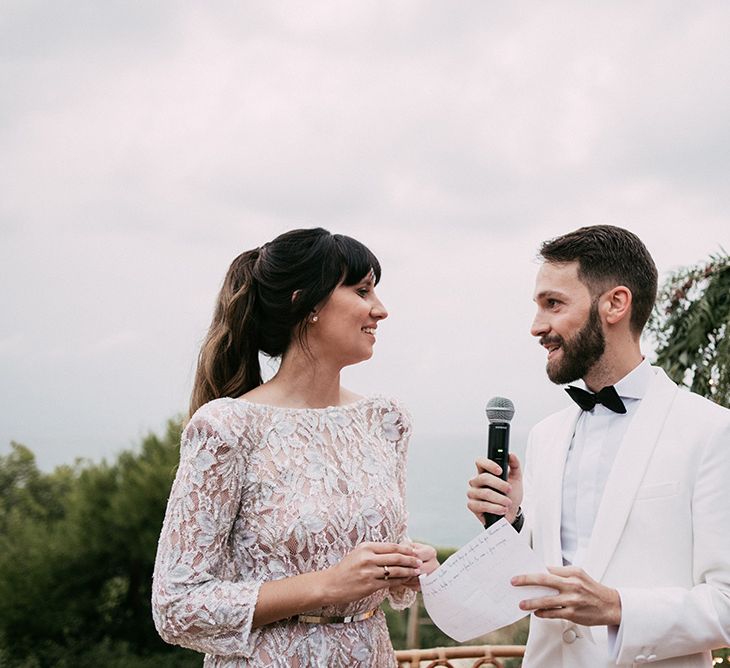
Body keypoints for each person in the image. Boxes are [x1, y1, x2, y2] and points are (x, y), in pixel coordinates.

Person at [152, 228, 438, 667]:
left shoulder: (385, 421)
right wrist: (325, 585)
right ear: (306, 305)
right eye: (362, 291)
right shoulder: (227, 427)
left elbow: (376, 545)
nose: (380, 309)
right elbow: (176, 606)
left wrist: (407, 564)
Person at [467, 225, 730, 667]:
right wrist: (511, 524)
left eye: (553, 304)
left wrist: (615, 607)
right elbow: (538, 580)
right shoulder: (546, 436)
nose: (536, 327)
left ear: (615, 304)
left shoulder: (712, 431)